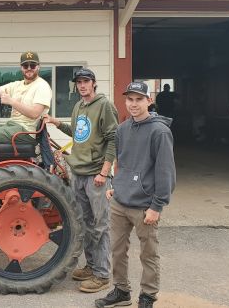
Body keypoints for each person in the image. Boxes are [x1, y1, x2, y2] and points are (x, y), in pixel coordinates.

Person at [96, 82, 175, 308]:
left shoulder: (160, 132)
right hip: (120, 201)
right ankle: (121, 291)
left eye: (139, 99)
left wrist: (157, 206)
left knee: (148, 254)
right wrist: (117, 186)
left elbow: (165, 171)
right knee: (117, 250)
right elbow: (123, 163)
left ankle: (147, 296)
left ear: (149, 101)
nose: (133, 104)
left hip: (144, 206)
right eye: (130, 99)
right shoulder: (122, 129)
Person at [44, 68, 118, 293]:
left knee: (100, 224)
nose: (82, 85)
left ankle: (103, 274)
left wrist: (104, 172)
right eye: (79, 82)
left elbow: (114, 139)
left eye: (86, 81)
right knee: (85, 223)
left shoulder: (104, 106)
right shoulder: (79, 106)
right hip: (78, 172)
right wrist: (56, 122)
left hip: (96, 175)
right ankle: (91, 266)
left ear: (94, 83)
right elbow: (77, 133)